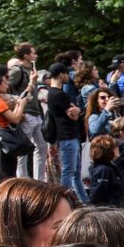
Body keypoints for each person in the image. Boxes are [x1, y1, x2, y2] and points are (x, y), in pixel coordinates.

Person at [42, 63, 86, 203]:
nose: (68, 77)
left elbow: (74, 112)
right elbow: (73, 114)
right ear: (61, 74)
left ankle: (84, 201)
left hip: (71, 136)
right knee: (69, 172)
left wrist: (77, 111)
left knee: (75, 174)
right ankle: (64, 201)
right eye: (67, 74)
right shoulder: (58, 94)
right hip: (67, 136)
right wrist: (78, 111)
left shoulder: (54, 93)